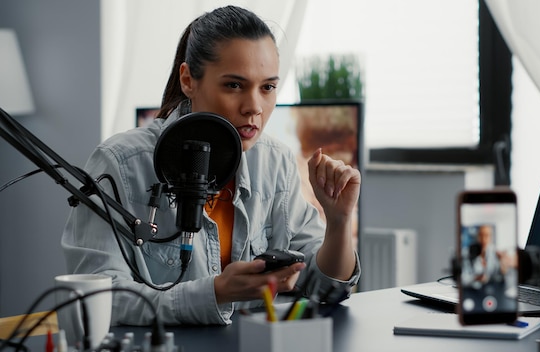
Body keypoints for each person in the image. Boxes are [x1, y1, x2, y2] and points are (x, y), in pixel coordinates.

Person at [61, 5, 361, 326]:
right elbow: (99, 298)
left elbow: (326, 288)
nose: (254, 107)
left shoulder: (275, 161)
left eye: (268, 87)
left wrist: (340, 222)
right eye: (234, 85)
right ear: (188, 80)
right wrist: (216, 293)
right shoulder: (120, 163)